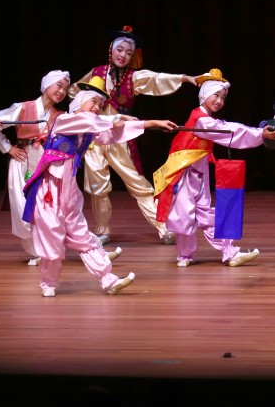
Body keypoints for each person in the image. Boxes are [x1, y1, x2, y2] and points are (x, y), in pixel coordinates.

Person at [22, 77, 177, 297]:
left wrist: (150, 124)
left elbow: (113, 133)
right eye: (93, 102)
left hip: (68, 192)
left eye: (100, 104)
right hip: (49, 192)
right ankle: (48, 283)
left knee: (83, 237)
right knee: (52, 238)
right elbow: (95, 122)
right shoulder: (65, 120)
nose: (97, 107)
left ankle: (108, 279)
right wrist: (117, 118)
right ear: (80, 101)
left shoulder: (87, 131)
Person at [69, 25, 200, 245]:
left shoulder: (133, 77)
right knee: (97, 187)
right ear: (111, 50)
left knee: (137, 183)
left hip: (119, 136)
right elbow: (74, 91)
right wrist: (83, 108)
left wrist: (186, 78)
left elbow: (157, 79)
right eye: (120, 50)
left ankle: (163, 227)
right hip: (94, 139)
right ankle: (102, 230)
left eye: (129, 53)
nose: (123, 55)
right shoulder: (96, 73)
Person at [153, 69, 275, 268]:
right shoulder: (201, 119)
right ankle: (185, 255)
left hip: (198, 172)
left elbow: (226, 128)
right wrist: (258, 134)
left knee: (205, 213)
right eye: (216, 95)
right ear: (204, 94)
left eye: (223, 97)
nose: (219, 101)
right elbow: (227, 131)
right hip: (184, 173)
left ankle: (229, 252)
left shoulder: (204, 119)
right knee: (185, 215)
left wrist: (258, 133)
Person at [0, 70, 69, 265]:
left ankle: (51, 249)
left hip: (46, 164)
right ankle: (36, 251)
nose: (62, 91)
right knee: (22, 209)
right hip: (22, 162)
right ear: (46, 86)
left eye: (65, 89)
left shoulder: (60, 115)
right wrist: (8, 148)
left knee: (48, 209)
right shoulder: (23, 108)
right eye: (58, 85)